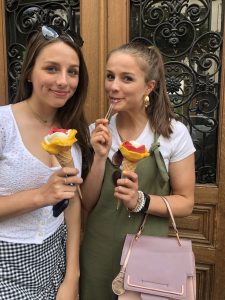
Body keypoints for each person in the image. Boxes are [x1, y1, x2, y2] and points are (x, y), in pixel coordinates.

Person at [79, 42, 196, 299]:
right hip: (97, 254)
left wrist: (140, 200)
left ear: (149, 87)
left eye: (126, 78)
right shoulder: (96, 132)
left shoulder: (173, 135)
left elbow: (186, 203)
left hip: (148, 258)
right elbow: (87, 203)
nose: (113, 86)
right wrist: (99, 157)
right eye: (110, 76)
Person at [0, 25, 91, 300]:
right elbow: (50, 195)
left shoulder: (73, 131)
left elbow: (72, 202)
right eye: (51, 69)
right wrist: (41, 195)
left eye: (72, 71)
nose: (63, 81)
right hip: (7, 262)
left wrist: (72, 276)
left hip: (54, 259)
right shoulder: (5, 125)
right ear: (29, 72)